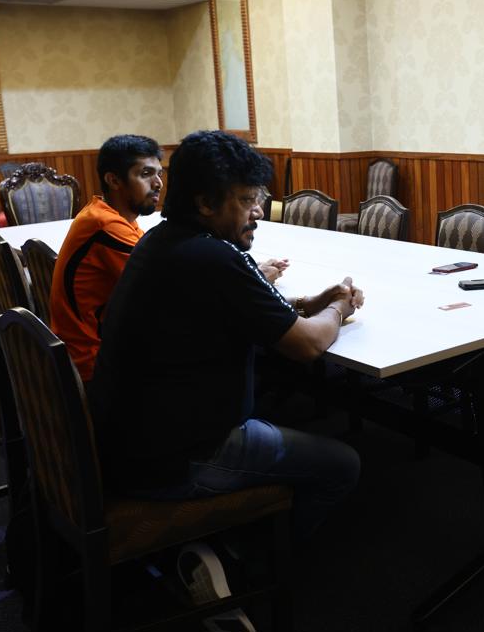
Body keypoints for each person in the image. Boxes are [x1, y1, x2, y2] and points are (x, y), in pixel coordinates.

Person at [90, 130, 363, 539]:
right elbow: (308, 345)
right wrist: (340, 307)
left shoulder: (162, 241)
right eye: (247, 200)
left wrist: (309, 303)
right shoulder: (214, 256)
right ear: (205, 203)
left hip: (127, 442)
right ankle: (270, 561)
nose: (259, 212)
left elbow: (239, 306)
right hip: (177, 460)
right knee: (343, 464)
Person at [49, 134, 164, 382]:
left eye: (159, 174)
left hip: (90, 350)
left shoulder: (107, 215)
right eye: (146, 174)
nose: (158, 184)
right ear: (113, 180)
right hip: (94, 365)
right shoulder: (105, 225)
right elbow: (164, 290)